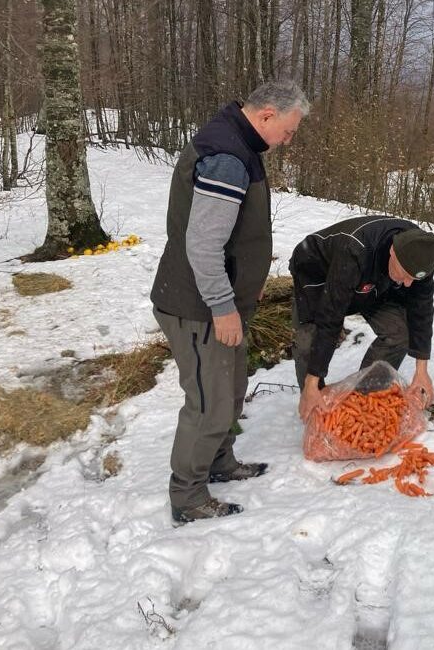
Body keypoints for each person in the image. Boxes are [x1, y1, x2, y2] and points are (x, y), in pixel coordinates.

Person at [151, 80, 309, 525]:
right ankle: (188, 496)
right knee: (208, 401)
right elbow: (202, 245)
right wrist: (223, 306)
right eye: (289, 131)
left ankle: (219, 462)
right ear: (265, 116)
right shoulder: (227, 157)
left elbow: (233, 234)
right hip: (198, 306)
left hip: (221, 301)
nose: (287, 140)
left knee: (230, 390)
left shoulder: (238, 143)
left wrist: (247, 283)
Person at [288, 216, 434, 423]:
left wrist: (421, 370)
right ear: (392, 252)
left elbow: (422, 310)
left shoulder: (421, 255)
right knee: (309, 341)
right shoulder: (354, 249)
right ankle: (315, 404)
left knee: (399, 333)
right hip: (319, 272)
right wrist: (312, 381)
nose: (407, 284)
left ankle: (362, 398)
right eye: (404, 275)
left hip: (376, 280)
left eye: (413, 279)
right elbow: (330, 317)